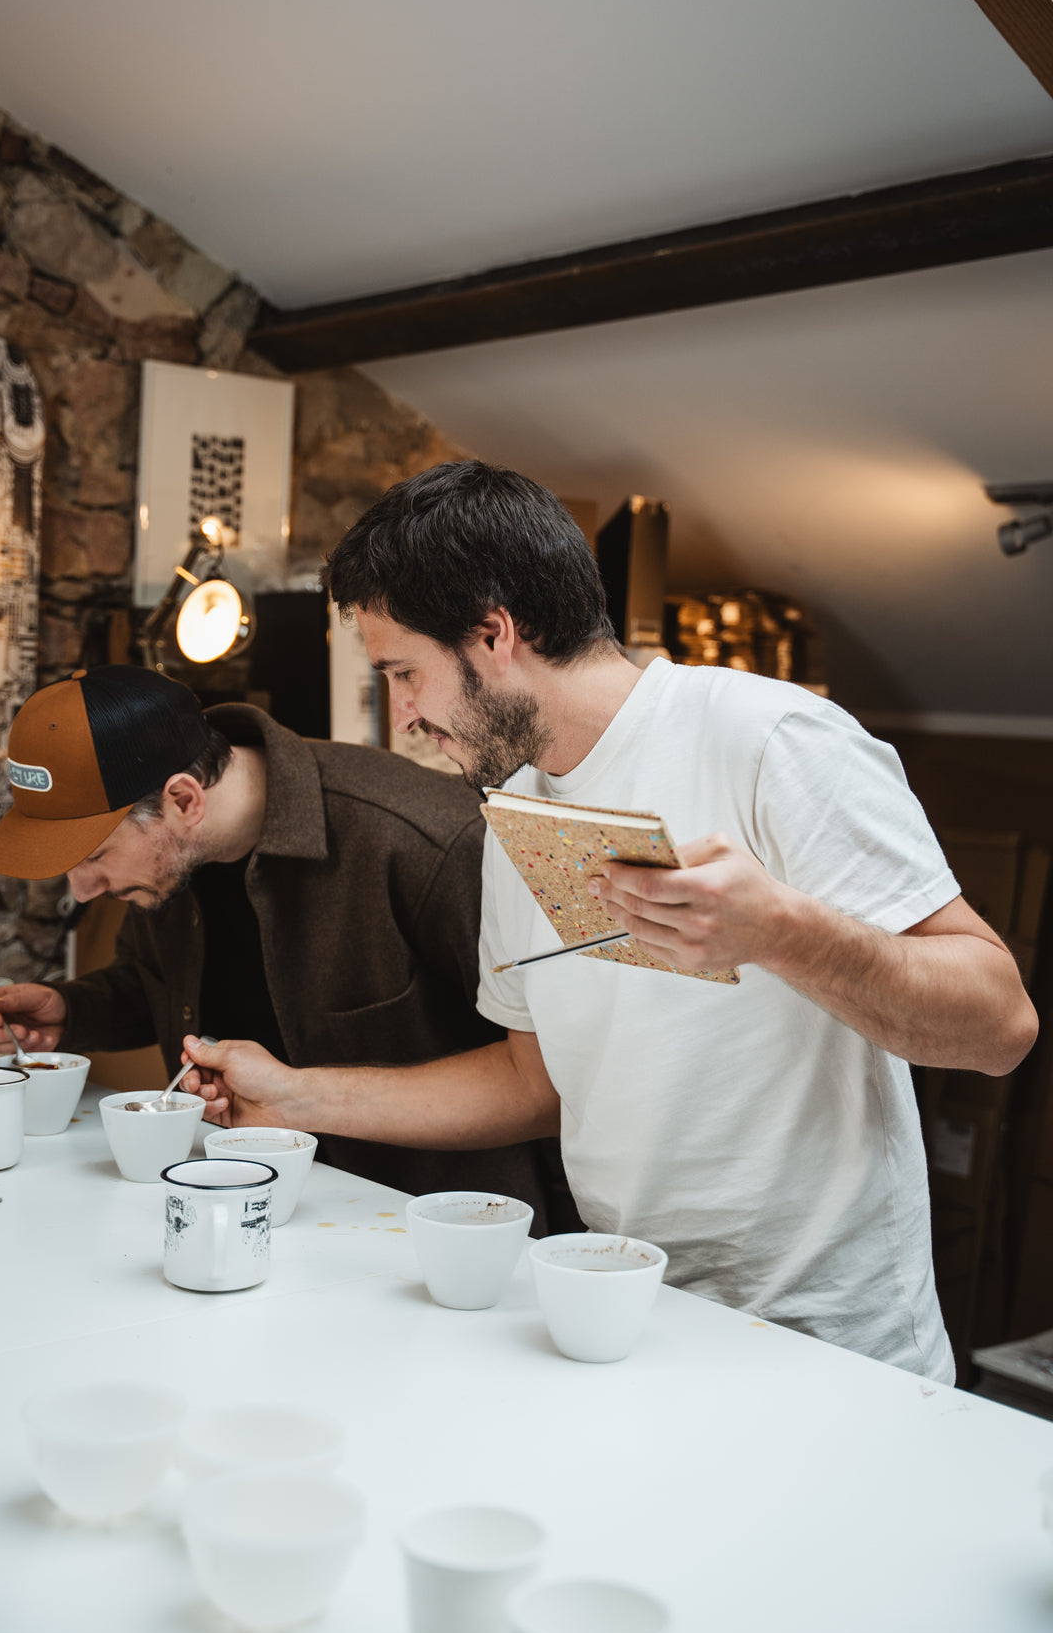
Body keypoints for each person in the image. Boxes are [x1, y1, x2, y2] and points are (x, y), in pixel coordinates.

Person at [179, 459, 1038, 1381]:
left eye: (405, 672)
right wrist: (296, 1096)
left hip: (825, 1335)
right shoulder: (518, 807)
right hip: (628, 1309)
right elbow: (532, 1080)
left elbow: (1001, 1026)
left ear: (493, 633)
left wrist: (783, 933)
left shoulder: (770, 739)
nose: (406, 713)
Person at [0, 663, 569, 1222]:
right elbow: (157, 980)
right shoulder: (170, 861)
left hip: (430, 1229)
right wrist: (73, 1011)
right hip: (244, 1202)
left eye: (94, 855)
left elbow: (548, 1077)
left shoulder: (428, 841)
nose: (84, 888)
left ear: (183, 799)